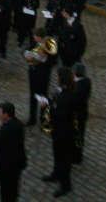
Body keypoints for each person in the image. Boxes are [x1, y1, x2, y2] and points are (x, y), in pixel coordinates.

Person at [42, 67, 77, 197]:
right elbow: (55, 103)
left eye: (58, 77)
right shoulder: (62, 92)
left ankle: (65, 186)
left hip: (64, 133)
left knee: (64, 160)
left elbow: (60, 114)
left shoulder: (67, 96)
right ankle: (56, 174)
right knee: (57, 155)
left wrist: (49, 107)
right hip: (58, 131)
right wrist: (50, 102)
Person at [0, 102, 27, 202]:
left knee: (7, 191)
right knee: (11, 189)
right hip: (14, 163)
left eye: (0, 112)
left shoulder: (9, 129)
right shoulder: (13, 122)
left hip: (9, 165)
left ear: (6, 114)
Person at [24, 28, 57, 126]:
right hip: (33, 73)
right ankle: (32, 118)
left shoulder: (49, 44)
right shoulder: (35, 43)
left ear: (40, 37)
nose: (34, 38)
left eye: (35, 36)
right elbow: (26, 49)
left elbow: (53, 60)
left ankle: (43, 118)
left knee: (43, 97)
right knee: (33, 96)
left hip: (43, 75)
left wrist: (43, 59)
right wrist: (27, 54)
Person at [73, 62, 92, 164]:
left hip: (76, 114)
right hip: (83, 112)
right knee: (80, 134)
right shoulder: (87, 81)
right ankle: (78, 155)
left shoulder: (76, 86)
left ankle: (76, 156)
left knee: (76, 134)